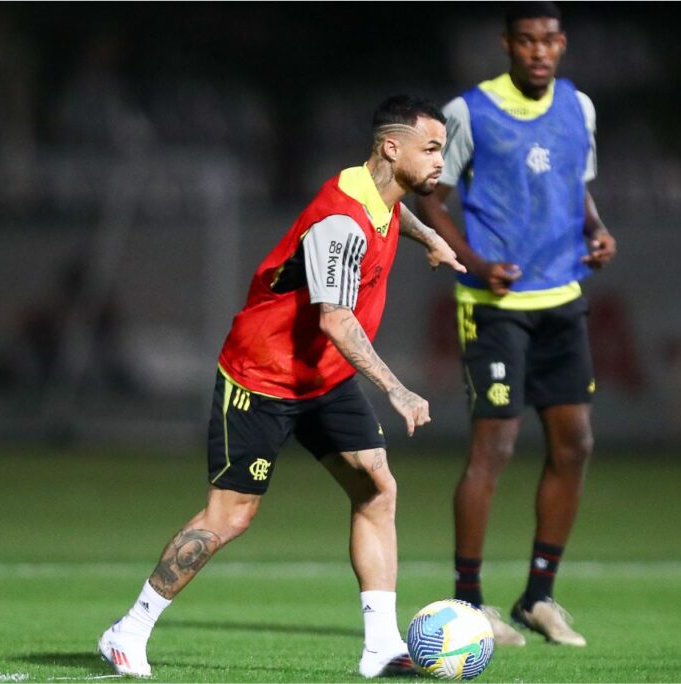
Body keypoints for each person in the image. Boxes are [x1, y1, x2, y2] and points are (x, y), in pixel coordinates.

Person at [98, 94, 465, 679]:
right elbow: (336, 321)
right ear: (391, 148)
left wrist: (431, 240)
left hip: (325, 374)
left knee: (377, 488)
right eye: (431, 148)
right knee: (231, 516)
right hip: (262, 377)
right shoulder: (340, 222)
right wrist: (397, 389)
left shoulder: (379, 191)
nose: (440, 160)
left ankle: (382, 647)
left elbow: (397, 213)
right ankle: (128, 630)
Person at [416, 1, 616, 648]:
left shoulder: (578, 108)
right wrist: (473, 261)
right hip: (496, 310)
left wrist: (596, 228)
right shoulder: (468, 111)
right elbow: (430, 196)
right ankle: (469, 603)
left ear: (563, 45)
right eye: (526, 41)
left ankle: (538, 597)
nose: (538, 52)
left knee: (575, 445)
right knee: (493, 450)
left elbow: (572, 183)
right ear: (507, 44)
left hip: (563, 299)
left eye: (549, 42)